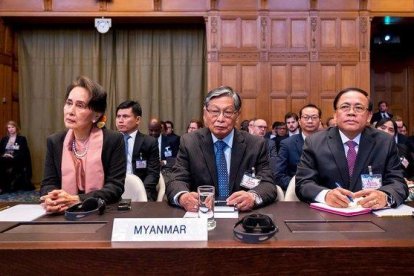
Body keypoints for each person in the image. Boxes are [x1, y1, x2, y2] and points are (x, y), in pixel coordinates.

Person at [166, 86, 277, 212]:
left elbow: (268, 184)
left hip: (242, 216)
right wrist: (183, 196)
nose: (220, 119)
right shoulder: (190, 142)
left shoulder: (255, 144)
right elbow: (176, 180)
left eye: (228, 112)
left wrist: (252, 197)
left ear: (237, 115)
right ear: (205, 114)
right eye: (214, 111)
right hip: (202, 214)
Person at [296, 87, 408, 209]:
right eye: (345, 107)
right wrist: (325, 195)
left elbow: (398, 183)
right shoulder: (314, 142)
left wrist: (385, 196)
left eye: (359, 108)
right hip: (329, 216)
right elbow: (303, 183)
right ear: (335, 114)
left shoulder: (384, 141)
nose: (351, 112)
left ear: (369, 116)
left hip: (373, 214)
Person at [40, 76, 125, 213]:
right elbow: (48, 184)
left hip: (102, 211)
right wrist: (52, 198)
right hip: (63, 212)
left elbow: (115, 187)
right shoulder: (55, 141)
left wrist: (78, 199)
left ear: (96, 115)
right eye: (68, 103)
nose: (70, 111)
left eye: (80, 105)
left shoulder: (113, 140)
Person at [116, 100, 160, 201]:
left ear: (138, 120)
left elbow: (153, 174)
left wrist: (141, 192)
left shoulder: (149, 142)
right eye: (118, 116)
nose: (120, 120)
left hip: (142, 191)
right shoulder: (110, 141)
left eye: (125, 116)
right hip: (116, 191)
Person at [275, 104, 321, 190]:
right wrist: (301, 187)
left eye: (314, 117)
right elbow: (279, 175)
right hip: (296, 192)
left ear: (319, 121)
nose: (310, 121)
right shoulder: (287, 144)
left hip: (325, 193)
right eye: (306, 117)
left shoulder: (328, 142)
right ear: (299, 121)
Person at [0, 121, 34, 193]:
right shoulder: (4, 139)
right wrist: (4, 155)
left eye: (12, 127)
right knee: (2, 161)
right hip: (4, 158)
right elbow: (1, 151)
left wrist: (12, 156)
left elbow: (23, 152)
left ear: (16, 128)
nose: (11, 129)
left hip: (16, 159)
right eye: (9, 127)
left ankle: (3, 188)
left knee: (3, 163)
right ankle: (3, 187)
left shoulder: (21, 139)